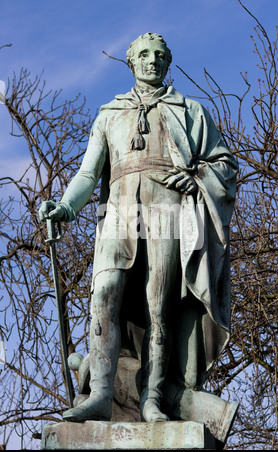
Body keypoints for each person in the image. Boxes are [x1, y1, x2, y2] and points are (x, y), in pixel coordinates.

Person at [39, 33, 238, 423]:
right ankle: (100, 394)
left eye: (160, 56)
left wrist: (196, 175)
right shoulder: (110, 112)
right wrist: (64, 206)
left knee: (158, 307)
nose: (152, 61)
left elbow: (225, 164)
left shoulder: (189, 110)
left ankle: (152, 398)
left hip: (167, 209)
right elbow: (87, 173)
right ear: (131, 62)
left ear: (168, 63)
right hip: (119, 209)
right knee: (105, 292)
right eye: (144, 55)